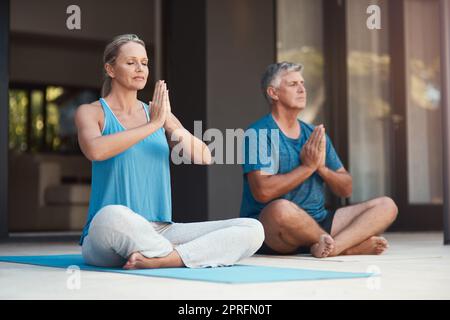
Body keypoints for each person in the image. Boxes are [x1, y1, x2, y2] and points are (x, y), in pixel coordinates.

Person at [75, 34, 264, 269]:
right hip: (108, 235)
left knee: (252, 229)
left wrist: (170, 123)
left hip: (162, 230)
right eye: (131, 62)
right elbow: (95, 150)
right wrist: (153, 125)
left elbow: (204, 156)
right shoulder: (92, 112)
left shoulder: (158, 113)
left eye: (144, 63)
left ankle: (165, 259)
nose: (140, 68)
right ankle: (183, 256)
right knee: (112, 216)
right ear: (110, 69)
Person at [240, 62, 398, 258]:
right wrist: (307, 168)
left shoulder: (313, 134)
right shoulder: (259, 133)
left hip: (318, 221)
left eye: (303, 83)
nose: (302, 89)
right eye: (293, 84)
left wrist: (322, 168)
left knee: (386, 205)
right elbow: (263, 192)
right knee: (280, 209)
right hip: (276, 230)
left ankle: (333, 247)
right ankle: (345, 246)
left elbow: (346, 188)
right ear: (273, 93)